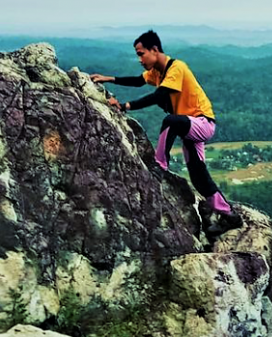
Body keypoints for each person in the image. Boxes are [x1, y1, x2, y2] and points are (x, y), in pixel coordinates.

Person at [90, 29, 242, 231]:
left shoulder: (176, 68)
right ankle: (230, 217)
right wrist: (109, 79)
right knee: (198, 177)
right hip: (188, 125)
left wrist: (125, 106)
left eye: (141, 53)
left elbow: (159, 96)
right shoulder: (157, 72)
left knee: (170, 120)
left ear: (154, 50)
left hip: (202, 123)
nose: (140, 59)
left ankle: (159, 166)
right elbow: (138, 80)